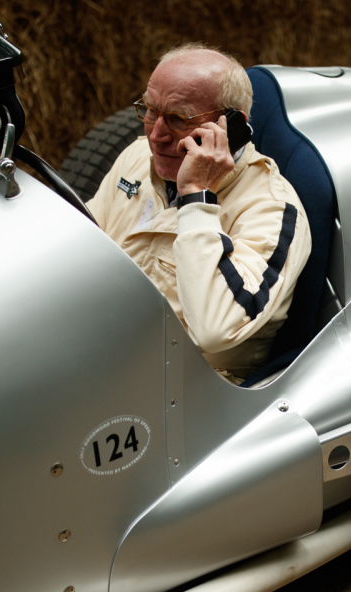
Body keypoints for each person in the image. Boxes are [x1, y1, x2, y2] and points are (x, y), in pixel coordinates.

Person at [88, 44, 311, 384]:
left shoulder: (272, 209)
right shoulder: (136, 155)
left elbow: (215, 331)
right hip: (108, 353)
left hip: (192, 392)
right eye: (149, 110)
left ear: (232, 125)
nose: (155, 135)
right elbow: (87, 240)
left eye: (177, 119)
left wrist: (196, 196)